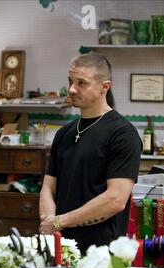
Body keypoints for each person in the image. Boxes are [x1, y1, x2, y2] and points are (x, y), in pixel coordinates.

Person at [39, 53, 142, 254]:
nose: (71, 89)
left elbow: (115, 199)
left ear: (105, 87)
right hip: (62, 247)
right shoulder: (64, 133)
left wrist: (59, 222)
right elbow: (48, 188)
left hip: (101, 252)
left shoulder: (123, 134)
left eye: (81, 83)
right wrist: (49, 225)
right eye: (70, 81)